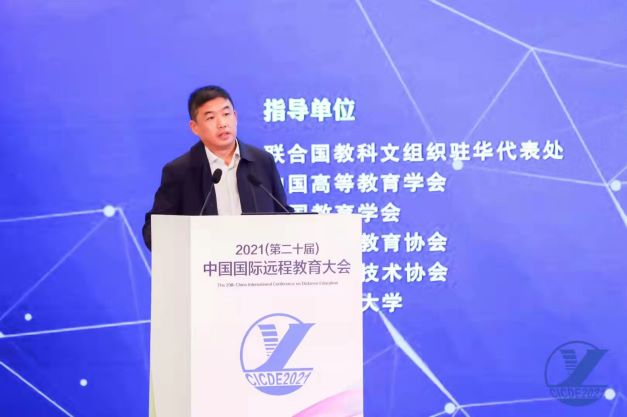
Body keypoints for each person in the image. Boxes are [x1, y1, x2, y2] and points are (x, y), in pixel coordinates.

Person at [142, 85, 290, 250]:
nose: (222, 124)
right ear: (195, 127)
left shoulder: (262, 161)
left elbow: (283, 214)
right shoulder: (179, 171)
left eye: (226, 114)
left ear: (235, 117)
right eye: (211, 118)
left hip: (255, 261)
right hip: (206, 262)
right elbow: (155, 231)